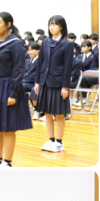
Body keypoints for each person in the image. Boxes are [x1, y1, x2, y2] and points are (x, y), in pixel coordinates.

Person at [0, 12, 32, 167]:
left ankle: (7, 162)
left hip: (8, 86)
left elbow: (19, 70)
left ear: (8, 25)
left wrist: (13, 93)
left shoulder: (16, 44)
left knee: (8, 127)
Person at [34, 15, 73, 153]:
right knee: (48, 113)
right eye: (50, 24)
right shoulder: (45, 42)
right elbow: (40, 63)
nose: (51, 27)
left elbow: (68, 67)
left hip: (58, 83)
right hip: (45, 81)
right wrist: (37, 81)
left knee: (59, 114)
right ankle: (51, 140)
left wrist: (65, 87)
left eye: (55, 24)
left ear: (61, 27)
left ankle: (59, 142)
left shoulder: (67, 44)